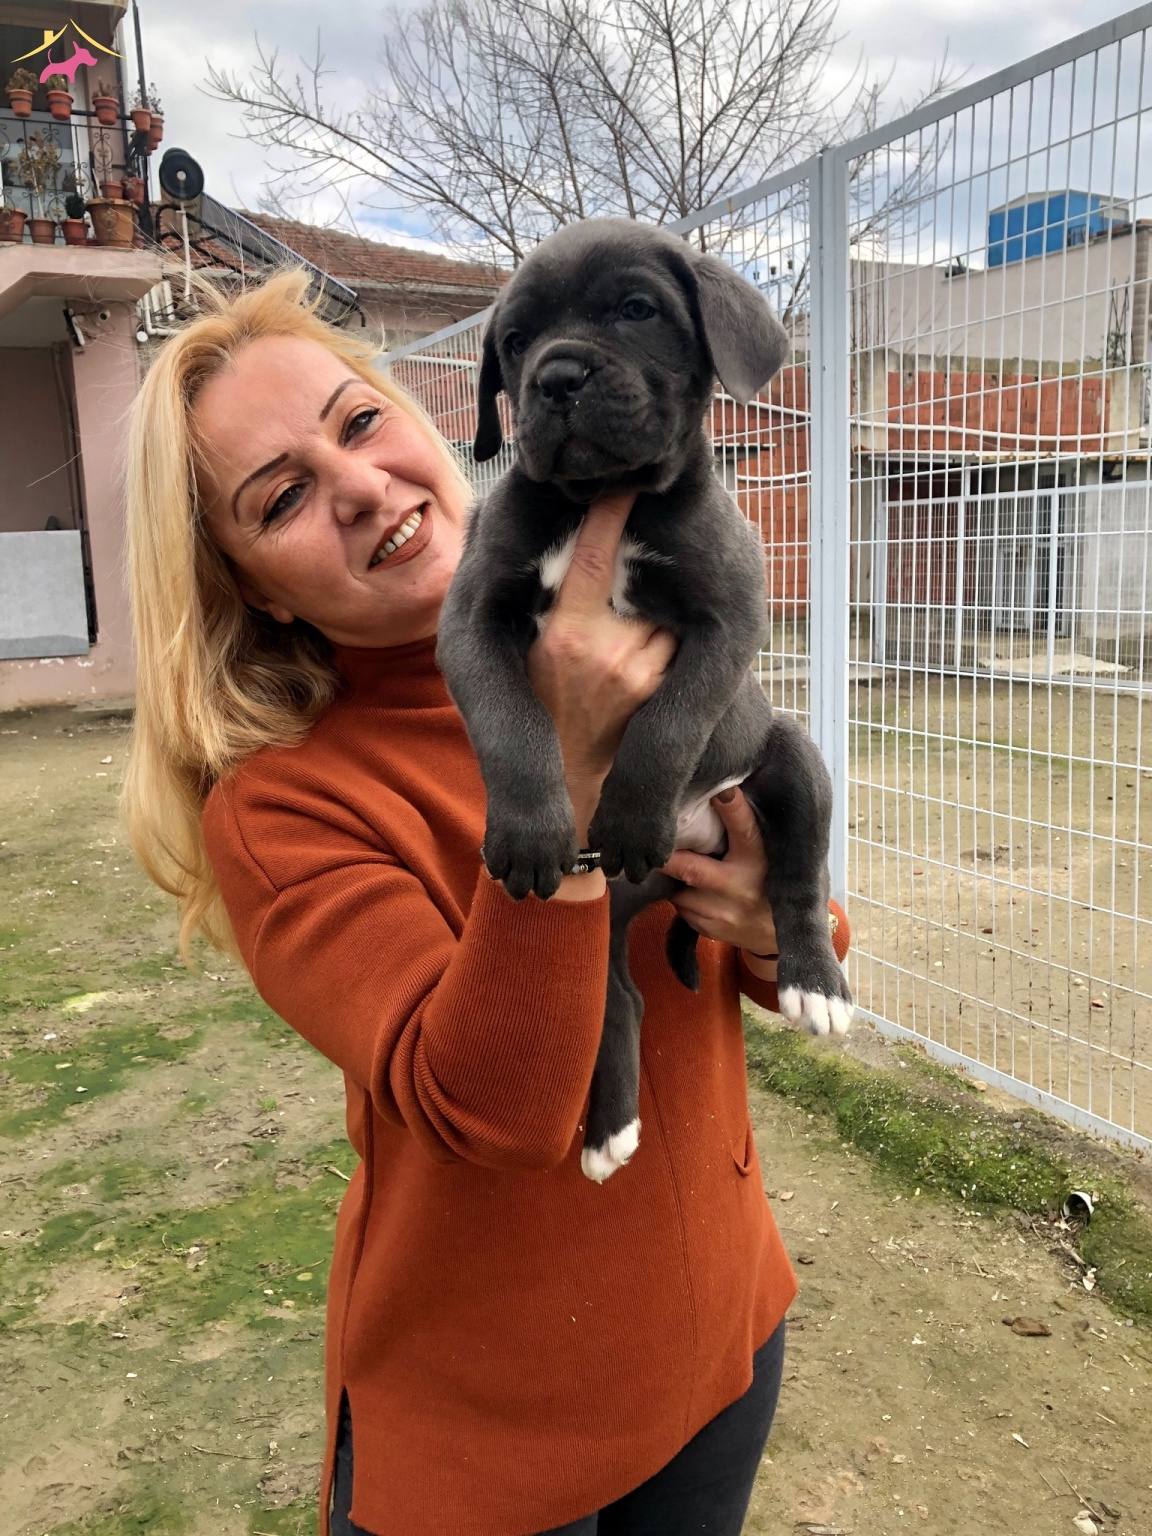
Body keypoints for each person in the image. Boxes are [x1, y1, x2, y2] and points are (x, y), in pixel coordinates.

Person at [122, 267, 850, 1536]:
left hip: (720, 1333)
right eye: (281, 497)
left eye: (358, 422)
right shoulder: (284, 805)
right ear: (254, 588)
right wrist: (571, 774)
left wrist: (777, 924)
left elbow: (769, 911)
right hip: (489, 1437)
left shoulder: (639, 617)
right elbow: (494, 1109)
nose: (360, 487)